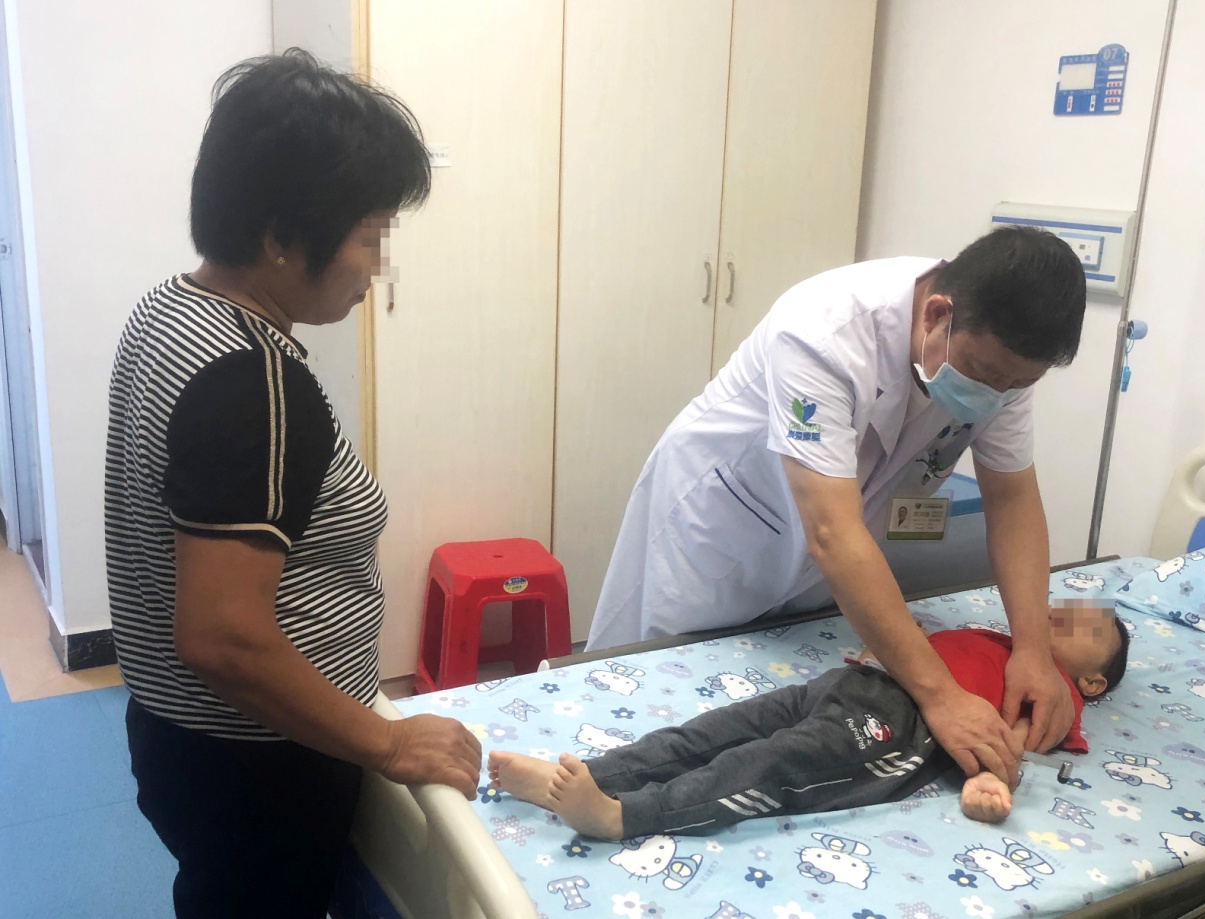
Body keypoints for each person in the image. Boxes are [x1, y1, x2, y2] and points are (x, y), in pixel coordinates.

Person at [105, 50, 481, 919]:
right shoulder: (253, 383)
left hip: (180, 740)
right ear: (280, 237)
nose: (375, 265)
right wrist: (386, 742)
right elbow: (222, 636)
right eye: (367, 236)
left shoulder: (168, 310)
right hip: (257, 764)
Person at [586, 227, 1088, 788]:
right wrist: (942, 696)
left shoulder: (1002, 363)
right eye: (988, 375)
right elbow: (832, 533)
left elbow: (1013, 498)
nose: (998, 394)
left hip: (829, 554)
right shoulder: (823, 331)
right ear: (937, 315)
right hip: (717, 534)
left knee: (773, 727)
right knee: (650, 710)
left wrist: (1033, 651)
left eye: (1017, 385)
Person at [490, 603, 1129, 838]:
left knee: (767, 763)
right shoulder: (1007, 641)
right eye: (1067, 607)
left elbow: (1012, 742)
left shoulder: (1057, 693)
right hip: (852, 684)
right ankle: (594, 774)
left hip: (903, 728)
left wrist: (988, 779)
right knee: (712, 731)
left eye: (1087, 626)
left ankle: (621, 816)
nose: (1067, 613)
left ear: (1092, 682)